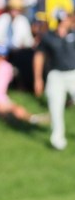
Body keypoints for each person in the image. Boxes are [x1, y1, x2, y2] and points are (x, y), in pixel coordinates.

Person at [33, 10, 75, 150]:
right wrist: (38, 79)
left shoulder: (73, 34)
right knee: (55, 107)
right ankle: (58, 140)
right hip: (56, 75)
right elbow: (39, 57)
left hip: (73, 74)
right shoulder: (48, 37)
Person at [0, 44, 46, 124]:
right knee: (10, 111)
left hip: (2, 99)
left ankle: (31, 119)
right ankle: (31, 120)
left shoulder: (7, 67)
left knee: (14, 110)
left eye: (2, 56)